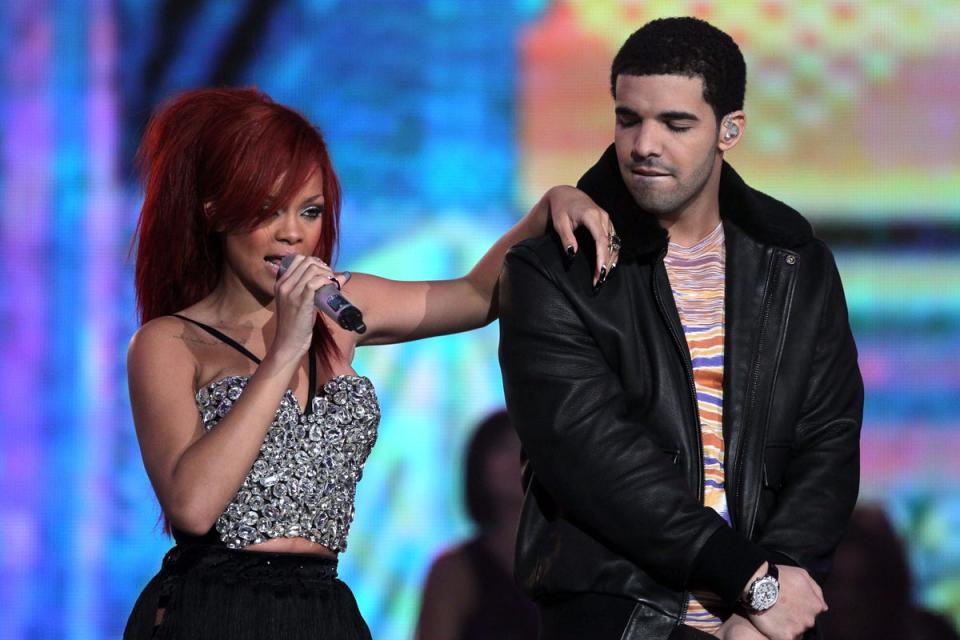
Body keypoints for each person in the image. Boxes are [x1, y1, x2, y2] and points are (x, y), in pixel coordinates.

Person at [122, 87, 618, 639]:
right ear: (216, 212)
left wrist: (549, 206)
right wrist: (286, 348)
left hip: (323, 609)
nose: (293, 233)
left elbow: (477, 297)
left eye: (309, 211)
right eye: (268, 210)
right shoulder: (169, 342)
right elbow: (192, 506)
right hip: (215, 612)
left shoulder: (342, 307)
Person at [498, 17, 863, 640]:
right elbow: (591, 456)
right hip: (621, 616)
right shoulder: (553, 269)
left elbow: (829, 440)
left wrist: (767, 603)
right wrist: (751, 578)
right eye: (628, 118)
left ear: (730, 130)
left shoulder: (795, 261)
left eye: (675, 123)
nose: (644, 144)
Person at [416, 410, 538, 640]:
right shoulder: (454, 571)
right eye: (503, 447)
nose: (517, 460)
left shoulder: (576, 562)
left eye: (528, 447)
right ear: (479, 463)